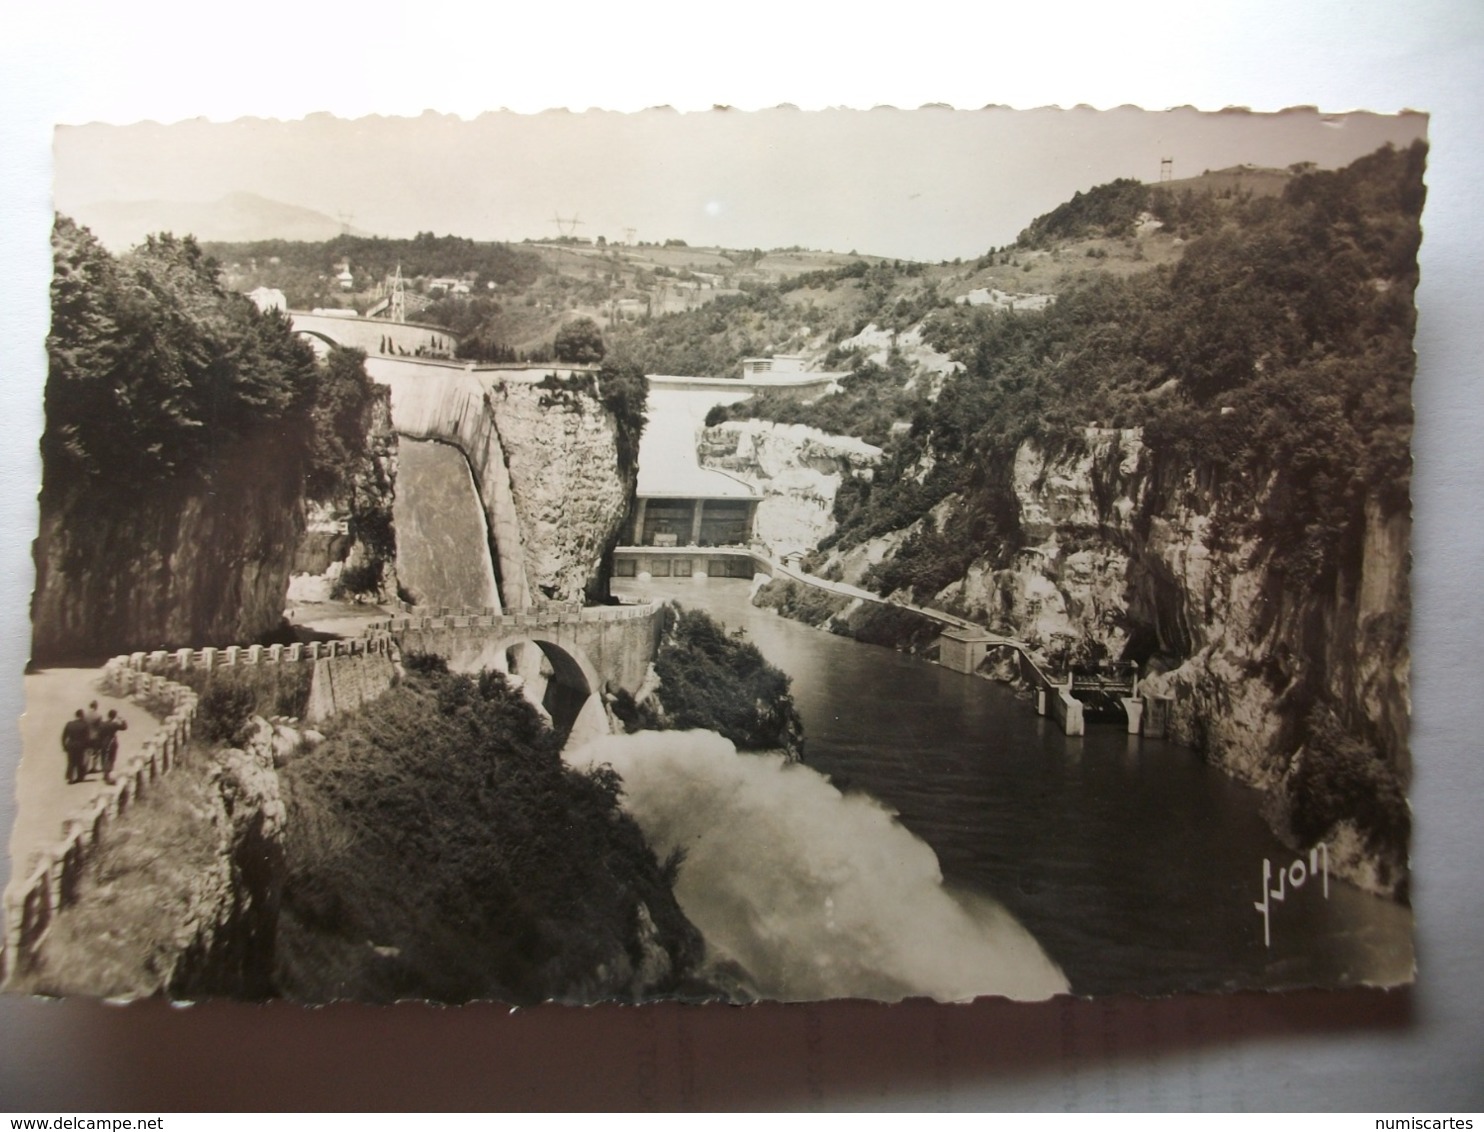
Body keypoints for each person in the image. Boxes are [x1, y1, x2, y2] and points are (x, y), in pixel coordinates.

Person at [98, 709, 127, 785]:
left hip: (104, 742)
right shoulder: (114, 724)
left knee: (103, 757)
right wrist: (122, 719)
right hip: (112, 742)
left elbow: (99, 734)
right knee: (112, 758)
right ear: (114, 716)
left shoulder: (102, 724)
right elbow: (124, 727)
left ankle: (105, 772)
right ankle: (109, 773)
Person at [61, 709, 90, 784]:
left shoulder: (69, 724)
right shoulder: (84, 724)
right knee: (79, 762)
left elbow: (64, 737)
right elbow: (87, 738)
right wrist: (87, 747)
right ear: (81, 716)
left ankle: (70, 777)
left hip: (71, 745)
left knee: (71, 762)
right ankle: (80, 777)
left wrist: (64, 746)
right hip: (80, 746)